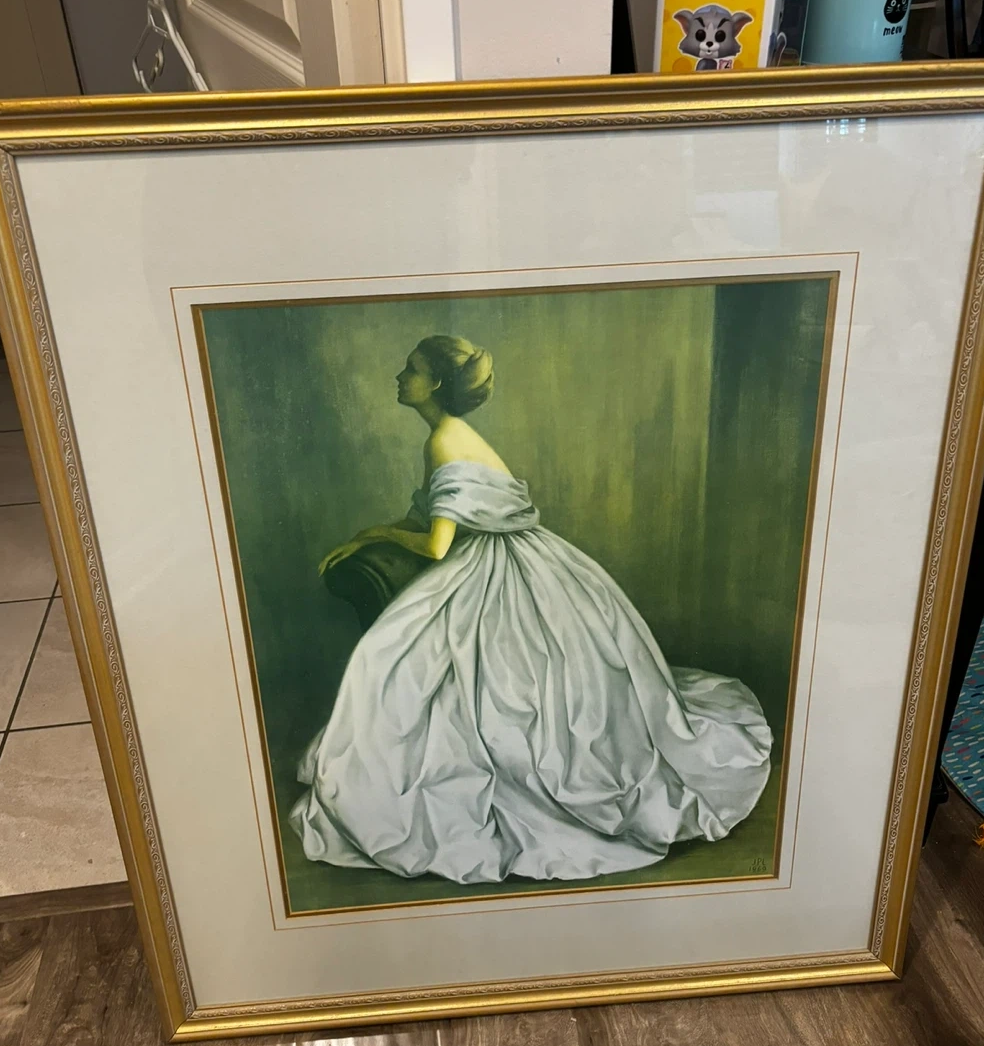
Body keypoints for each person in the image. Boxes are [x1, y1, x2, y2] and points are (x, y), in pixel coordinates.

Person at [289, 334, 772, 883]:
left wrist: (376, 534)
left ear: (437, 383)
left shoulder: (445, 440)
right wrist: (371, 533)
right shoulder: (450, 435)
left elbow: (438, 546)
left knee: (411, 662)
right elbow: (429, 515)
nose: (400, 377)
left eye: (412, 369)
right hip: (521, 555)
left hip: (500, 567)